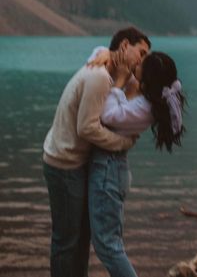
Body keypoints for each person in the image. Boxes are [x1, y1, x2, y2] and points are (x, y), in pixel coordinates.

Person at [42, 26, 151, 277]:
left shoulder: (112, 69)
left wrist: (104, 51)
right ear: (125, 46)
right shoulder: (100, 76)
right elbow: (87, 128)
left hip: (72, 160)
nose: (143, 60)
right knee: (67, 240)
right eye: (142, 53)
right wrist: (122, 144)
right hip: (64, 163)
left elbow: (138, 82)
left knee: (81, 237)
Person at [87, 50, 186, 277]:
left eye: (141, 64)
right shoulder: (150, 100)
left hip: (108, 172)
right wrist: (105, 56)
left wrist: (119, 81)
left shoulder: (145, 107)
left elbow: (108, 115)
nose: (136, 64)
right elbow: (106, 56)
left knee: (108, 246)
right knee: (110, 242)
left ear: (148, 77)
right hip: (112, 170)